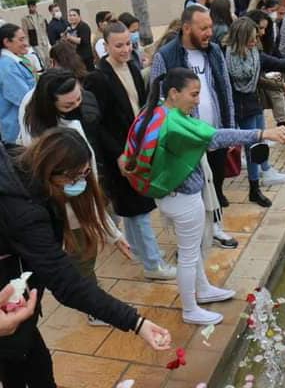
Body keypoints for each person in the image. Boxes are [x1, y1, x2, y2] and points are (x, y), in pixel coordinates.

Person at [0, 128, 171, 386]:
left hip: (16, 295)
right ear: (52, 171)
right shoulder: (24, 211)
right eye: (75, 177)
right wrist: (136, 322)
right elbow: (66, 282)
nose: (80, 183)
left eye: (85, 173)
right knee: (23, 364)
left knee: (36, 362)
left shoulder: (22, 164)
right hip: (7, 302)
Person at [123, 68, 285, 324]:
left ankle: (202, 291)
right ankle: (190, 309)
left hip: (171, 195)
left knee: (194, 251)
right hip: (182, 198)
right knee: (189, 254)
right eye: (193, 94)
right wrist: (262, 134)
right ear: (173, 93)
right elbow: (215, 137)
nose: (197, 100)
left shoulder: (156, 112)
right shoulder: (174, 123)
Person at [17, 70, 131, 326]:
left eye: (79, 99)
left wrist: (111, 231)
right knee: (80, 254)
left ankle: (91, 298)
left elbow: (87, 181)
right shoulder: (39, 130)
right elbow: (80, 188)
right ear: (49, 103)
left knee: (83, 250)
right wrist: (108, 230)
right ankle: (93, 306)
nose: (76, 106)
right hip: (62, 206)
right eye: (68, 104)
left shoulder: (70, 122)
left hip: (76, 199)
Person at [84, 20, 176, 279]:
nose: (125, 49)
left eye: (128, 43)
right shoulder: (98, 77)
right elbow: (97, 124)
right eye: (119, 45)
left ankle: (139, 251)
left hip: (138, 147)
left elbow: (142, 105)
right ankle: (153, 264)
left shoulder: (134, 65)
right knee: (136, 207)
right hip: (118, 153)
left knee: (137, 206)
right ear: (106, 46)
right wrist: (118, 155)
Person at [150, 6, 239, 246]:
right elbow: (157, 100)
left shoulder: (214, 51)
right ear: (186, 28)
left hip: (214, 133)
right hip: (185, 140)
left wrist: (230, 127)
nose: (209, 33)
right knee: (191, 191)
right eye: (203, 28)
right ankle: (189, 240)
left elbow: (225, 89)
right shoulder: (166, 56)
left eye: (210, 27)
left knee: (216, 183)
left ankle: (216, 228)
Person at [225, 18, 285, 207]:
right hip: (241, 107)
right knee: (252, 145)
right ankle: (255, 189)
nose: (256, 41)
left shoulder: (253, 52)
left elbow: (261, 76)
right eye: (252, 38)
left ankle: (263, 176)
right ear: (242, 37)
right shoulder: (227, 56)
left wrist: (280, 85)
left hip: (255, 101)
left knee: (260, 142)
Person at [0, 24, 36, 143]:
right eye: (21, 39)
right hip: (17, 131)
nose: (25, 43)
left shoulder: (12, 62)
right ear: (7, 42)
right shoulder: (7, 66)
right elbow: (24, 98)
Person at [21, 0, 49, 69]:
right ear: (28, 7)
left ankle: (49, 69)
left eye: (33, 6)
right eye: (30, 7)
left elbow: (44, 29)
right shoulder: (25, 18)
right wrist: (26, 42)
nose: (32, 8)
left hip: (43, 39)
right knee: (41, 57)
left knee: (47, 57)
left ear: (35, 7)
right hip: (35, 40)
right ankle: (46, 70)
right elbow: (25, 32)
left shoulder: (41, 16)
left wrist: (47, 39)